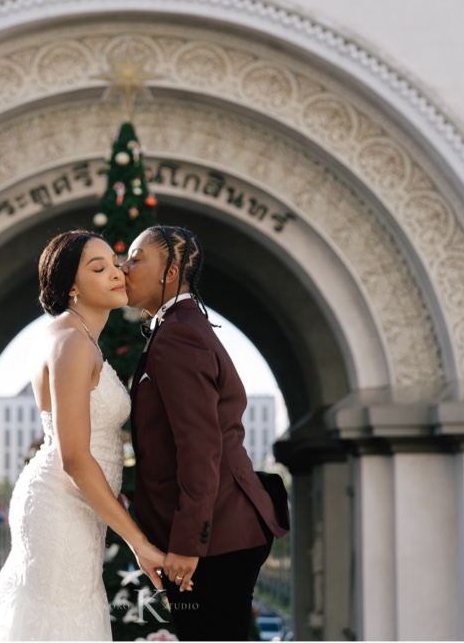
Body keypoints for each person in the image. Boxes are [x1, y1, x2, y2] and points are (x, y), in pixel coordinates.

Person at [0, 230, 168, 641]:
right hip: (60, 506)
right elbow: (74, 456)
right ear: (71, 285)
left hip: (78, 506)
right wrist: (138, 541)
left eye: (115, 262)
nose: (117, 273)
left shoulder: (81, 339)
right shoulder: (71, 343)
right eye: (98, 267)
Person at [121, 225, 289, 641]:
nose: (124, 267)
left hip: (215, 540)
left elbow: (200, 445)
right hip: (220, 533)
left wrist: (187, 544)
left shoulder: (177, 335)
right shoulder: (179, 327)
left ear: (171, 272)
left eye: (137, 258)